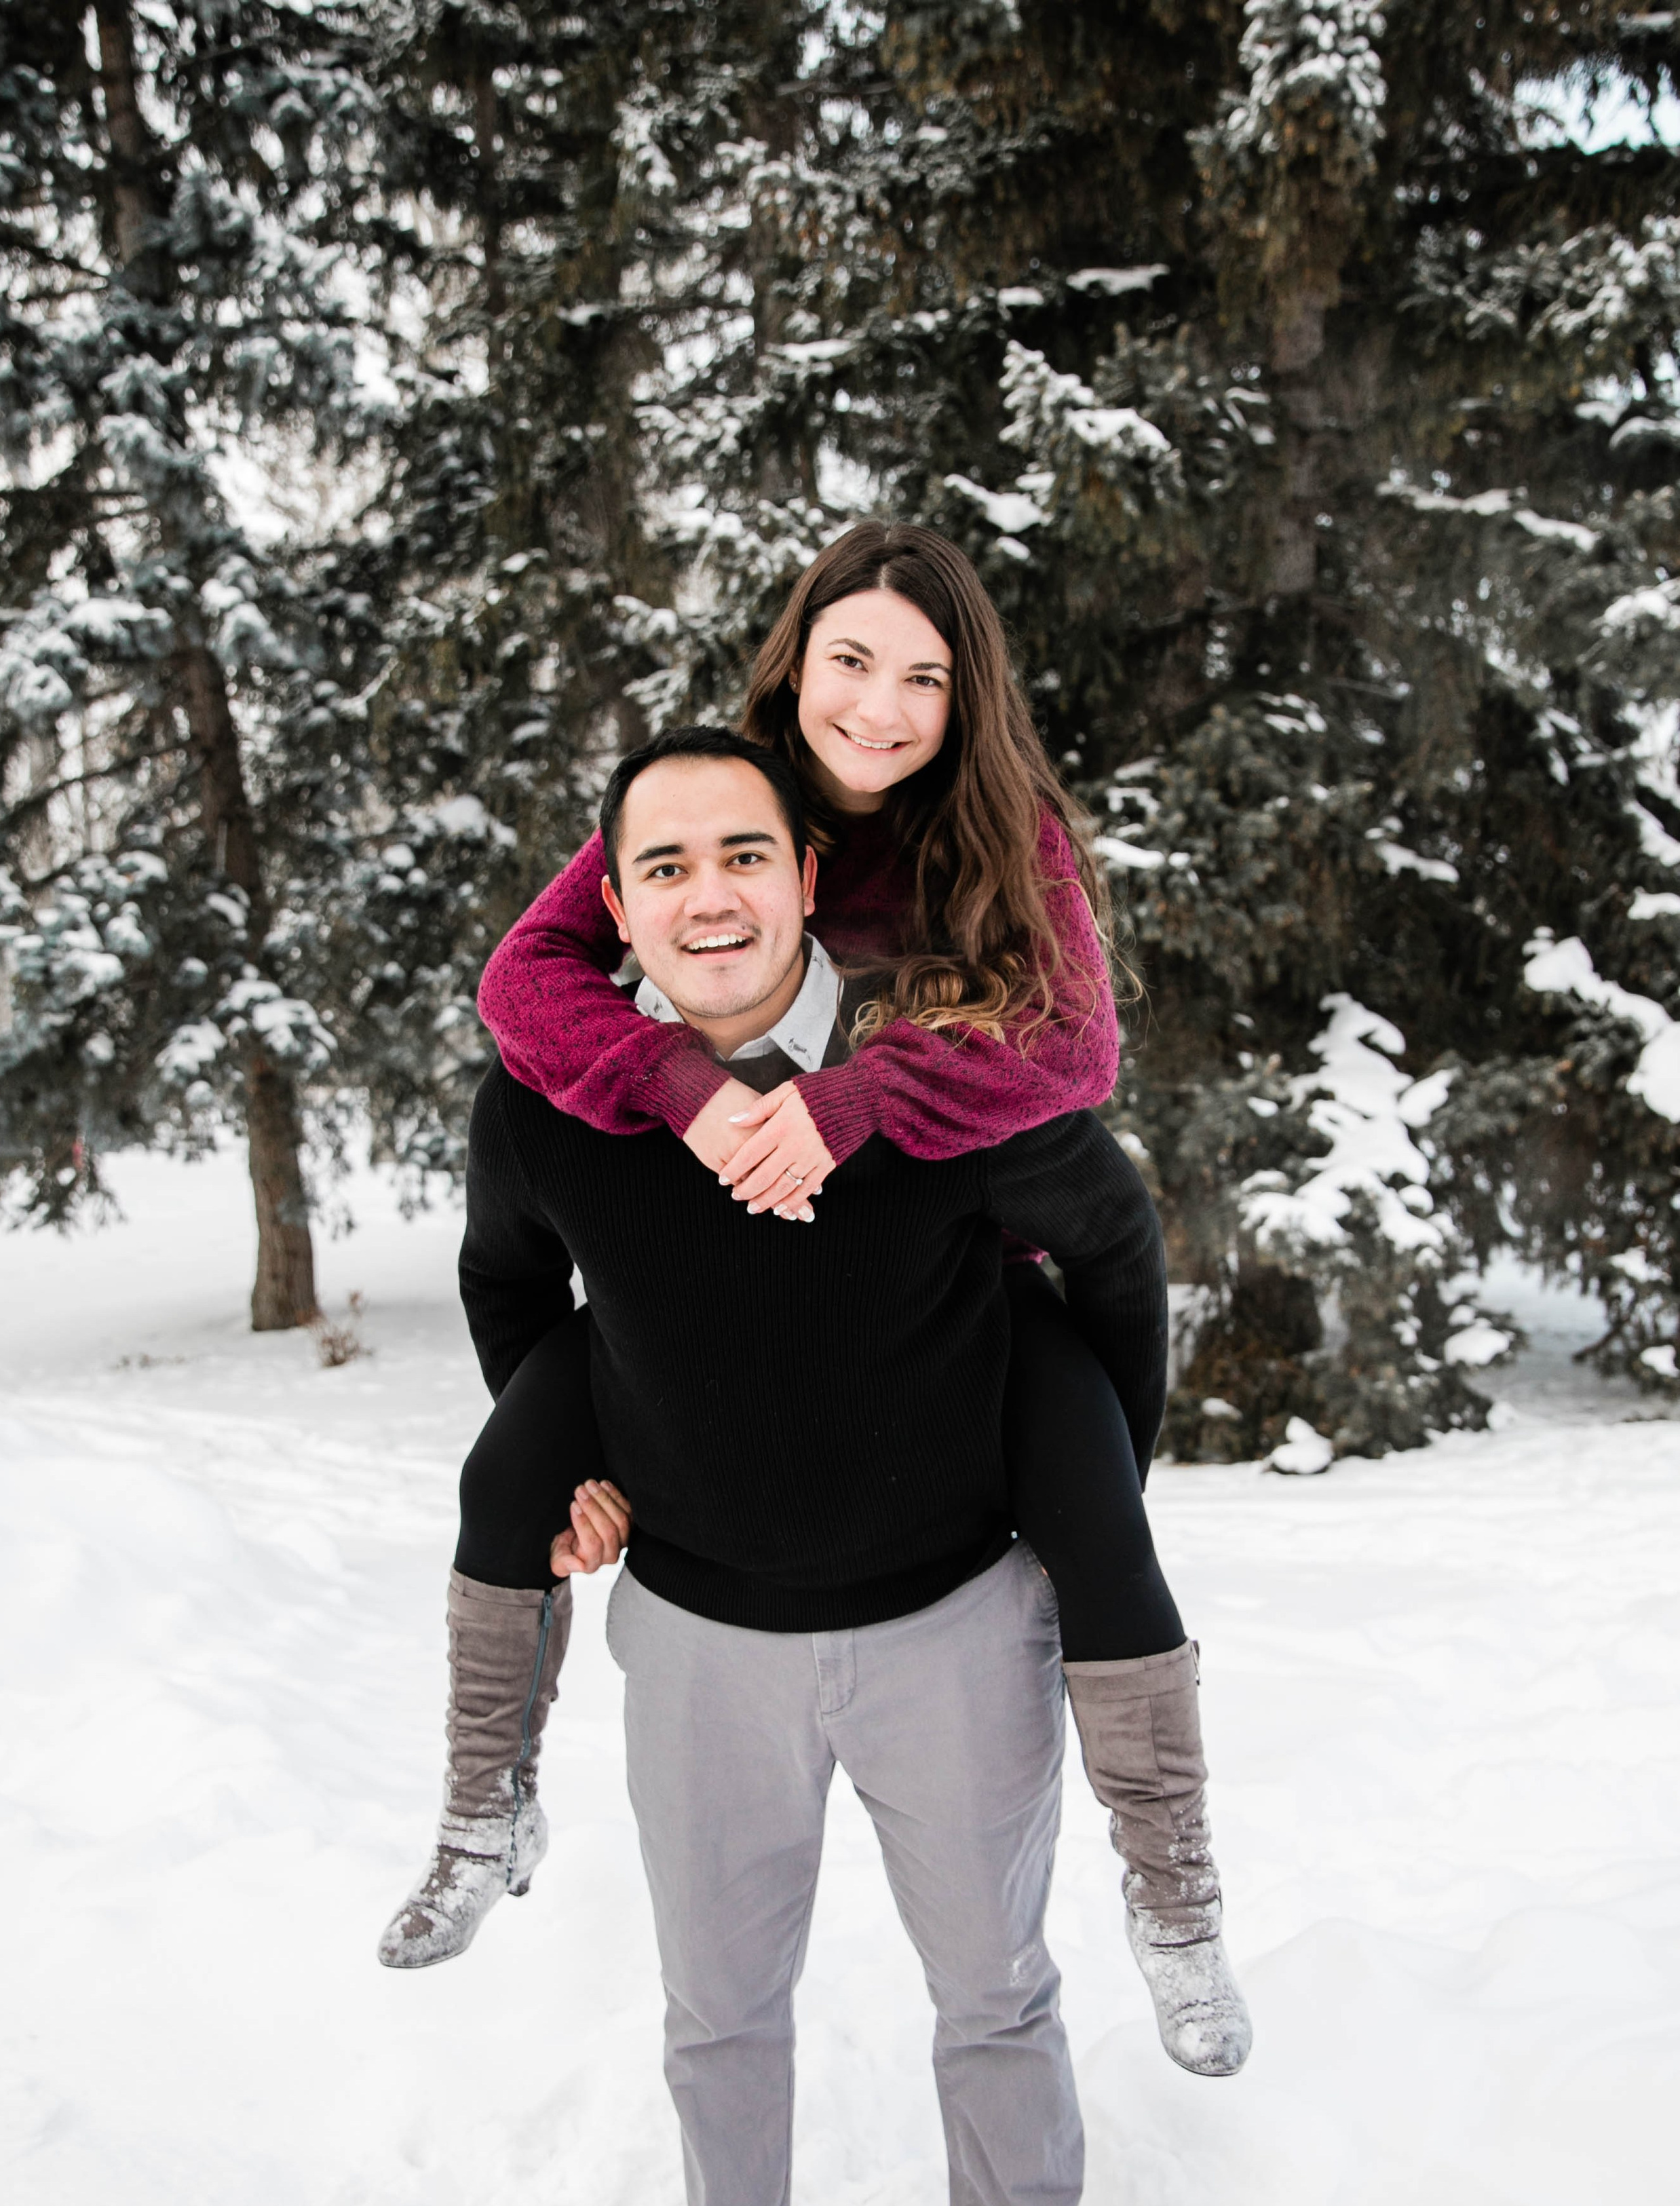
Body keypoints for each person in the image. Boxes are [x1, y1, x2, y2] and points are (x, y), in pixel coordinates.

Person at [378, 523, 1250, 2087]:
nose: (879, 708)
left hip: (944, 1260)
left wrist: (863, 1098)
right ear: (793, 666)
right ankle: (481, 1805)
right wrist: (673, 1081)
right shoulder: (730, 796)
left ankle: (1175, 1899)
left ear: (964, 700)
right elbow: (523, 983)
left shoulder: (999, 823)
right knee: (507, 1471)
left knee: (1097, 1510)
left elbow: (1075, 1051)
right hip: (709, 1245)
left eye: (924, 678)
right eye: (849, 661)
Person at [449, 726, 1192, 2206]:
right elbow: (510, 1285)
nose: (707, 895)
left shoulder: (933, 1078)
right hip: (700, 1646)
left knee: (993, 1993)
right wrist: (572, 1468)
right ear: (613, 905)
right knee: (718, 2009)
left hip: (952, 1630)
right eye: (664, 866)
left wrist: (1091, 1481)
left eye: (743, 855)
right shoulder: (550, 1096)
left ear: (807, 873)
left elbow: (1110, 1242)